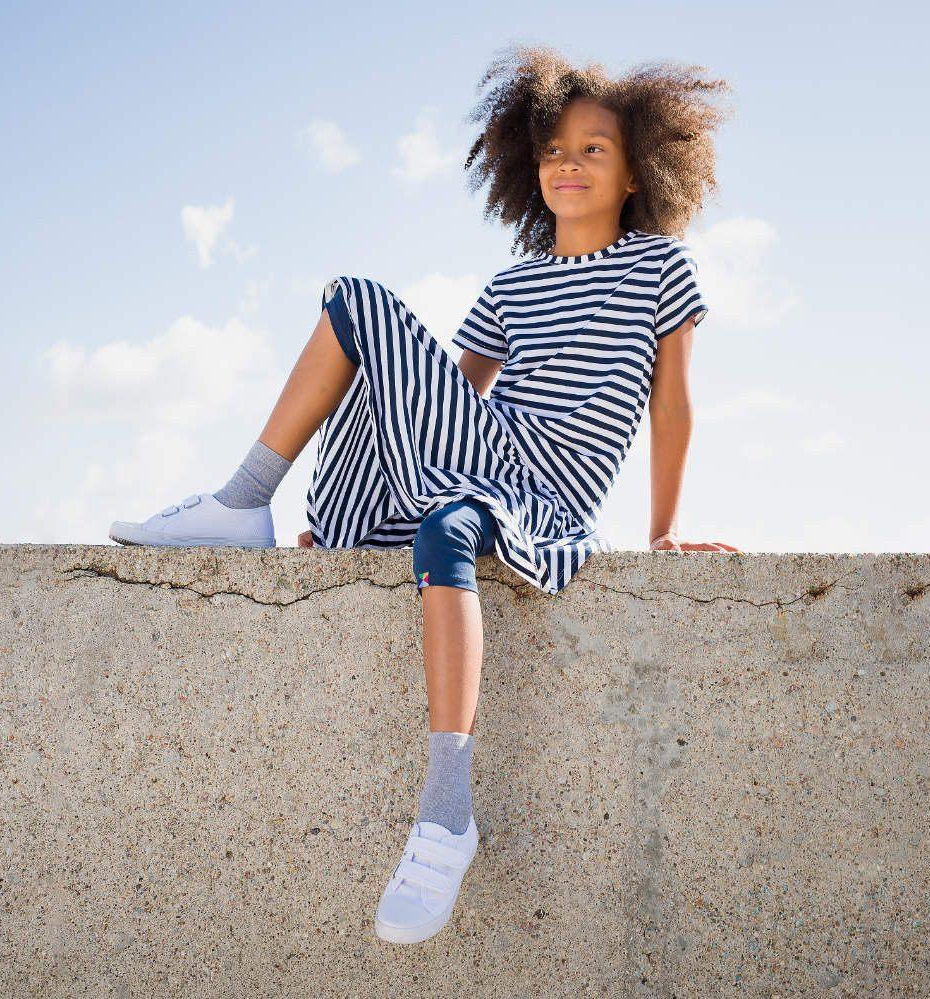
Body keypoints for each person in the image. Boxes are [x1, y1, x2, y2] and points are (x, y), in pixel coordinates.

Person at [108, 44, 742, 945]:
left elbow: (672, 403)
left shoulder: (658, 270)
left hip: (547, 504)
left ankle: (445, 813)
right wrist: (349, 500)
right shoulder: (512, 283)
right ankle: (274, 510)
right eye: (554, 149)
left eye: (593, 150)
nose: (568, 163)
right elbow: (430, 394)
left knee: (367, 314)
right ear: (530, 163)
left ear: (640, 170)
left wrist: (665, 528)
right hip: (477, 470)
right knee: (380, 364)